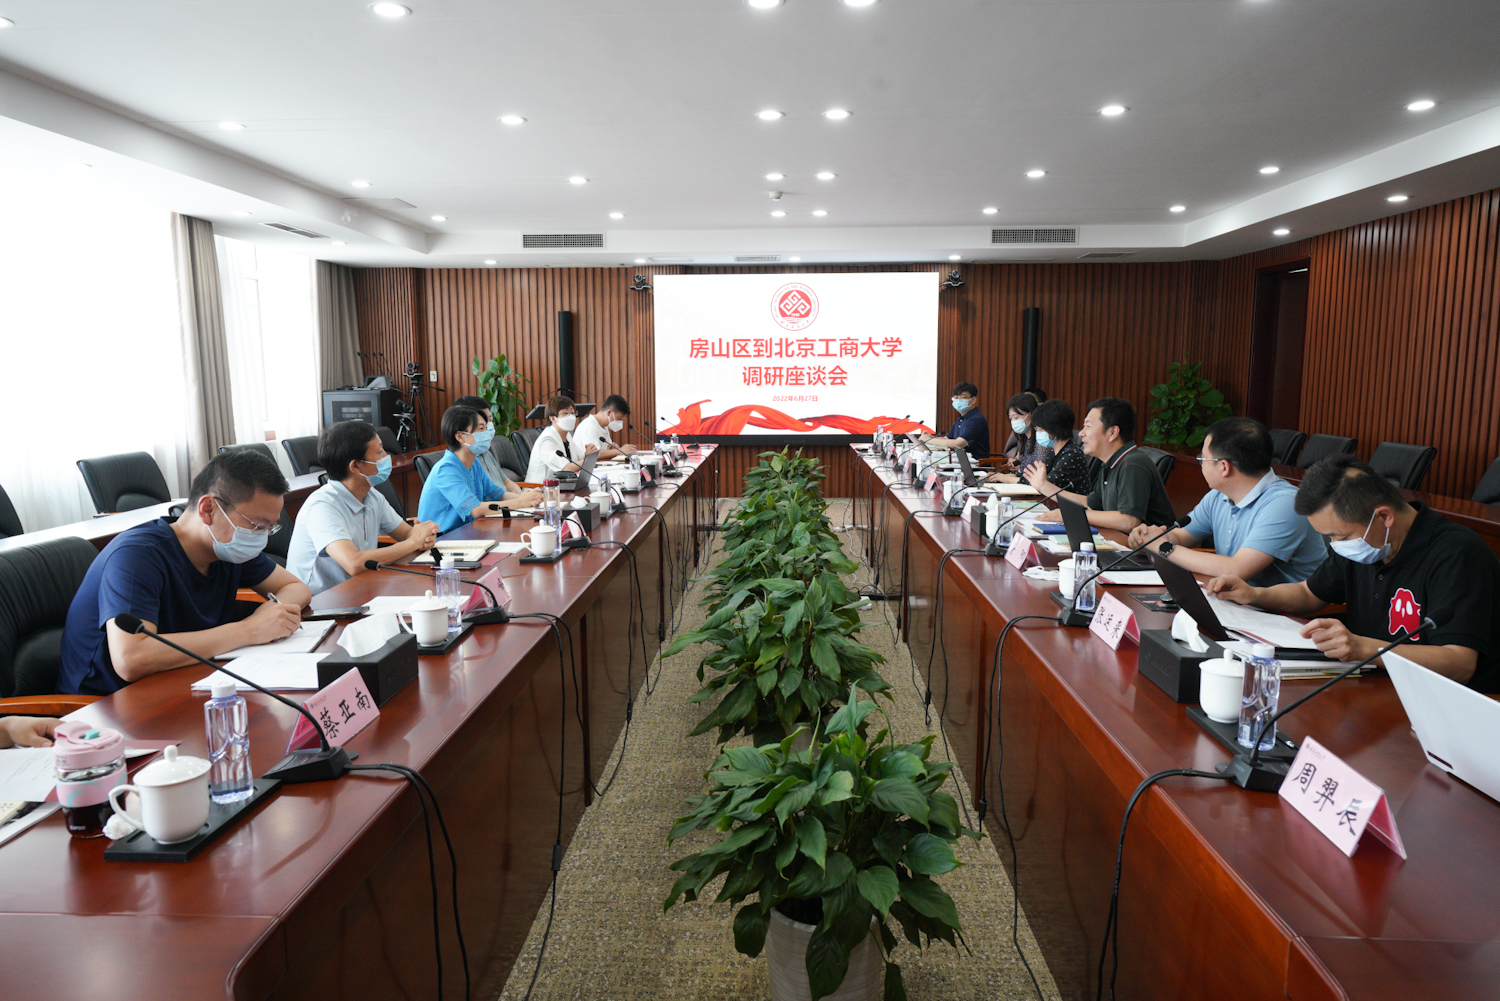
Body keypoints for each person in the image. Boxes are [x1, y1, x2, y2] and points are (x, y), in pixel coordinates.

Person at [1208, 454, 1500, 691]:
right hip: (1376, 682)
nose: (1336, 545)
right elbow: (1309, 593)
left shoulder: (1458, 554)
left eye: (1340, 537)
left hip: (1450, 700)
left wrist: (1363, 648)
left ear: (1384, 516)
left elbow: (1460, 663)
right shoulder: (1367, 542)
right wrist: (1254, 594)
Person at [58, 450, 311, 695]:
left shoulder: (228, 548)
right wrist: (249, 630)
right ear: (208, 510)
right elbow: (130, 659)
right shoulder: (137, 556)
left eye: (270, 528)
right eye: (257, 526)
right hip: (106, 703)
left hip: (184, 678)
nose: (261, 537)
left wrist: (271, 613)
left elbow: (296, 588)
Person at [1126, 417, 1325, 586]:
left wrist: (1163, 548)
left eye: (1203, 459)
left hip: (1286, 614)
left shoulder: (1284, 505)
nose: (1200, 464)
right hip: (1237, 603)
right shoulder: (1218, 496)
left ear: (1223, 467)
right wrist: (1150, 537)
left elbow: (1236, 570)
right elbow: (1180, 536)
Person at [285, 421, 441, 595]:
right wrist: (413, 542)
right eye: (380, 452)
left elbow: (407, 534)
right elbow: (353, 563)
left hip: (358, 590)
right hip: (319, 602)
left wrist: (424, 536)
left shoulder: (372, 496)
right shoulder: (322, 507)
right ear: (355, 466)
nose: (386, 456)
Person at [1032, 397, 1174, 531]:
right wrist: (1044, 486)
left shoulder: (1132, 463)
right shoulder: (1110, 463)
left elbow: (1128, 521)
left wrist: (1071, 514)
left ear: (1113, 432)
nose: (1081, 433)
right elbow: (1089, 503)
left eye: (1088, 426)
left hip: (1146, 547)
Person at [418, 404, 533, 534]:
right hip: (441, 538)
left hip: (469, 532)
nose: (487, 434)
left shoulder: (474, 463)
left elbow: (500, 495)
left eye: (486, 428)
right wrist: (521, 502)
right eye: (481, 429)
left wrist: (528, 498)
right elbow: (476, 509)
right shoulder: (446, 469)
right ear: (460, 436)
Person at [452, 394, 541, 502]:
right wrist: (519, 500)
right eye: (481, 426)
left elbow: (505, 483)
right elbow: (478, 506)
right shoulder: (462, 463)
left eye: (489, 421)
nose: (488, 428)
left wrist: (522, 496)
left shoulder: (485, 453)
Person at [1009, 399, 1094, 496]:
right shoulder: (1054, 452)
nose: (1037, 434)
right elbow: (1035, 478)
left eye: (1040, 430)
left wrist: (1008, 479)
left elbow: (1043, 485)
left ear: (1054, 428)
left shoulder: (1072, 455)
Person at [524, 395, 596, 484]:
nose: (571, 417)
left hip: (563, 485)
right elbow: (566, 468)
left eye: (572, 413)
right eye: (565, 413)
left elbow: (579, 460)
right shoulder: (547, 440)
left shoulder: (567, 435)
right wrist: (587, 460)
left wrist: (588, 455)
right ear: (553, 418)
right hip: (540, 489)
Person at [921, 382, 989, 459]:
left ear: (973, 400)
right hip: (959, 460)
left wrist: (928, 440)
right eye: (956, 398)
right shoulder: (961, 418)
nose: (958, 401)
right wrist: (931, 437)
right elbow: (947, 439)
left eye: (963, 397)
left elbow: (958, 444)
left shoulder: (976, 420)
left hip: (975, 463)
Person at [989, 392, 1045, 481]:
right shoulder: (1023, 439)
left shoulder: (1042, 440)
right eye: (1011, 418)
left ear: (1031, 414)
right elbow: (1021, 475)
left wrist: (1005, 478)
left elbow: (1033, 480)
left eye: (1016, 417)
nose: (1014, 422)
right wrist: (997, 476)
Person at [571, 394, 639, 460]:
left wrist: (611, 449)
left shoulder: (604, 426)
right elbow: (594, 454)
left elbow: (604, 450)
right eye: (619, 418)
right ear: (609, 413)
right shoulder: (589, 426)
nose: (620, 422)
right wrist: (620, 451)